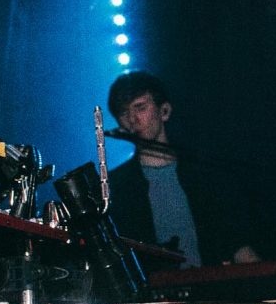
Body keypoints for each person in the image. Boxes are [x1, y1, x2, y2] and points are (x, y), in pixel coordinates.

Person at [105, 69, 260, 267]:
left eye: (140, 107)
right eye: (124, 113)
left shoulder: (204, 173)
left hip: (210, 288)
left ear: (164, 111)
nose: (133, 119)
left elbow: (236, 242)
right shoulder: (118, 185)